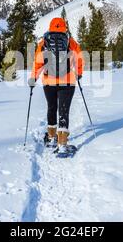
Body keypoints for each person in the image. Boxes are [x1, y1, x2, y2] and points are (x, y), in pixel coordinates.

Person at [28, 18, 84, 155]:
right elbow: (80, 60)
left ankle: (52, 137)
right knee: (64, 111)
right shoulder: (71, 43)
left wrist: (33, 78)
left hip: (49, 82)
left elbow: (38, 63)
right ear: (64, 27)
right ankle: (62, 144)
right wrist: (79, 73)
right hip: (68, 83)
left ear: (50, 27)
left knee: (52, 108)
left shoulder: (43, 43)